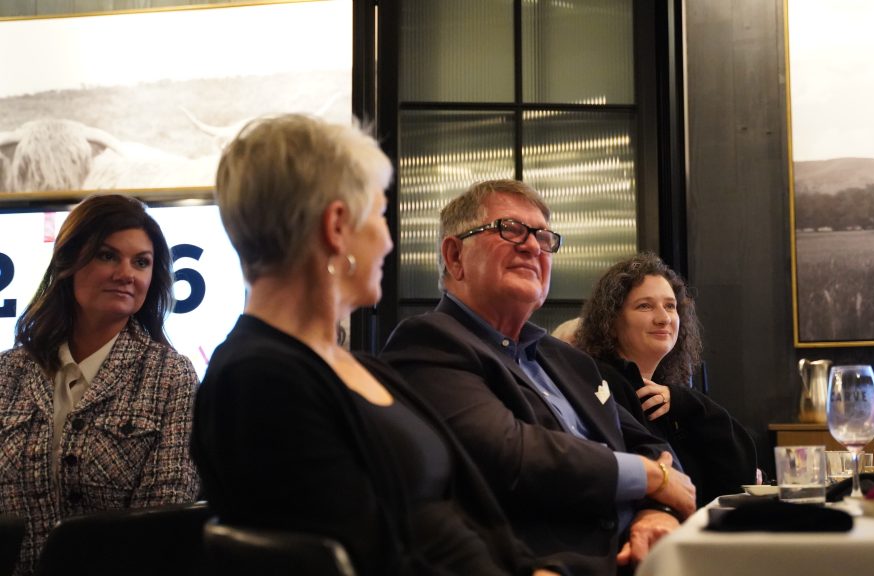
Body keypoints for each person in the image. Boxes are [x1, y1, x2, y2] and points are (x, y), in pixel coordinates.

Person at [190, 115, 559, 576]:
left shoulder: (355, 366)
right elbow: (376, 560)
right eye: (379, 215)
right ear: (337, 226)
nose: (388, 241)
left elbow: (467, 519)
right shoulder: (257, 383)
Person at [381, 179, 696, 575]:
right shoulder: (429, 343)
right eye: (509, 229)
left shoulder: (569, 360)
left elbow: (656, 447)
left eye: (544, 237)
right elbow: (510, 454)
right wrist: (650, 477)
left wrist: (657, 513)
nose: (532, 246)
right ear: (455, 254)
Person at [0, 194, 199, 576]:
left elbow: (163, 523)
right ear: (68, 262)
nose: (126, 273)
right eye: (108, 255)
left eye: (141, 262)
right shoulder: (9, 372)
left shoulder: (171, 377)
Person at [576, 252, 758, 507]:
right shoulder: (600, 385)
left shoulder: (671, 397)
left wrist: (687, 402)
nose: (664, 318)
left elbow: (740, 476)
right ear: (612, 320)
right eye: (645, 306)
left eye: (670, 306)